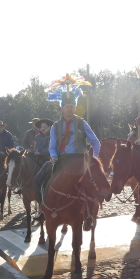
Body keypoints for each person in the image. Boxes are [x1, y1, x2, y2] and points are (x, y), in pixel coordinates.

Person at [33, 91, 101, 223]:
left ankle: (89, 214)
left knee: (92, 184)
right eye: (66, 106)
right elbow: (52, 146)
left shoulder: (82, 123)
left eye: (71, 106)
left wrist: (94, 159)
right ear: (62, 108)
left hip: (79, 160)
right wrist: (53, 156)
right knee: (38, 179)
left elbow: (95, 142)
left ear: (75, 108)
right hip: (60, 161)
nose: (69, 109)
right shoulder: (55, 127)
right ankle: (43, 208)